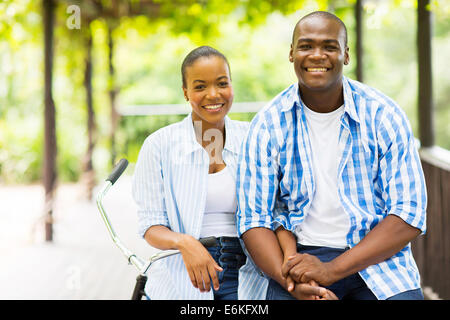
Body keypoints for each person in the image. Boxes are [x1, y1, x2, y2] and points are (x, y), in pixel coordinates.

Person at [236, 11, 427, 300]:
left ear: (346, 55)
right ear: (291, 54)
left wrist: (331, 270)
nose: (317, 55)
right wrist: (292, 284)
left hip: (376, 259)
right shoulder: (267, 124)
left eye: (329, 46)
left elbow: (409, 213)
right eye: (306, 46)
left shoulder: (383, 115)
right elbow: (254, 219)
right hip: (298, 262)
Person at [132, 46, 250, 300]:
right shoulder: (159, 145)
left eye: (222, 83)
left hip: (247, 268)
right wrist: (185, 243)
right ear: (185, 92)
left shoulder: (253, 138)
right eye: (199, 87)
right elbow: (150, 225)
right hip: (181, 273)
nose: (213, 94)